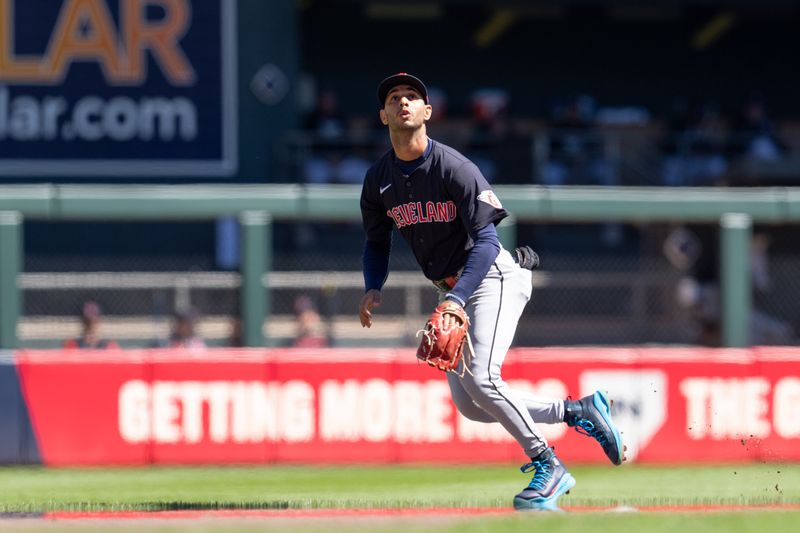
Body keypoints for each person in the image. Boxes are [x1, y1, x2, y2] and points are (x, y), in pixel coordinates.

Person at [359, 73, 625, 512]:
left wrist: (456, 299)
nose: (403, 102)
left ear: (427, 112)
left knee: (484, 379)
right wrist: (373, 285)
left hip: (490, 277)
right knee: (474, 405)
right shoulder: (379, 179)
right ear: (383, 114)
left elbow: (485, 241)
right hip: (454, 289)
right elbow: (376, 240)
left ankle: (549, 464)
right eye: (394, 97)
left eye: (413, 97)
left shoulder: (453, 167)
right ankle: (579, 412)